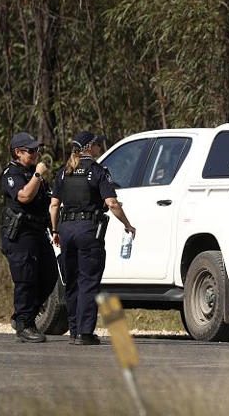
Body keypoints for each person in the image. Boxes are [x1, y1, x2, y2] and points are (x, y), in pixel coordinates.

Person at [49, 131, 136, 345]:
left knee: (72, 281)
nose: (100, 148)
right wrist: (127, 224)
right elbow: (112, 203)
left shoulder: (64, 172)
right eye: (97, 144)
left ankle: (74, 329)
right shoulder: (97, 171)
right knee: (88, 280)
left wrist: (55, 231)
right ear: (89, 147)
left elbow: (53, 205)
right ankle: (85, 333)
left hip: (66, 229)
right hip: (88, 230)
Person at [0, 132, 58, 343]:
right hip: (20, 235)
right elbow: (24, 196)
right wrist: (37, 176)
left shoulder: (35, 174)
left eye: (37, 150)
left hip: (38, 232)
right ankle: (25, 324)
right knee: (26, 279)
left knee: (49, 275)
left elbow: (48, 201)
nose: (36, 154)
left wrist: (55, 228)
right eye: (31, 151)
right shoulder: (11, 173)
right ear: (18, 152)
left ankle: (24, 317)